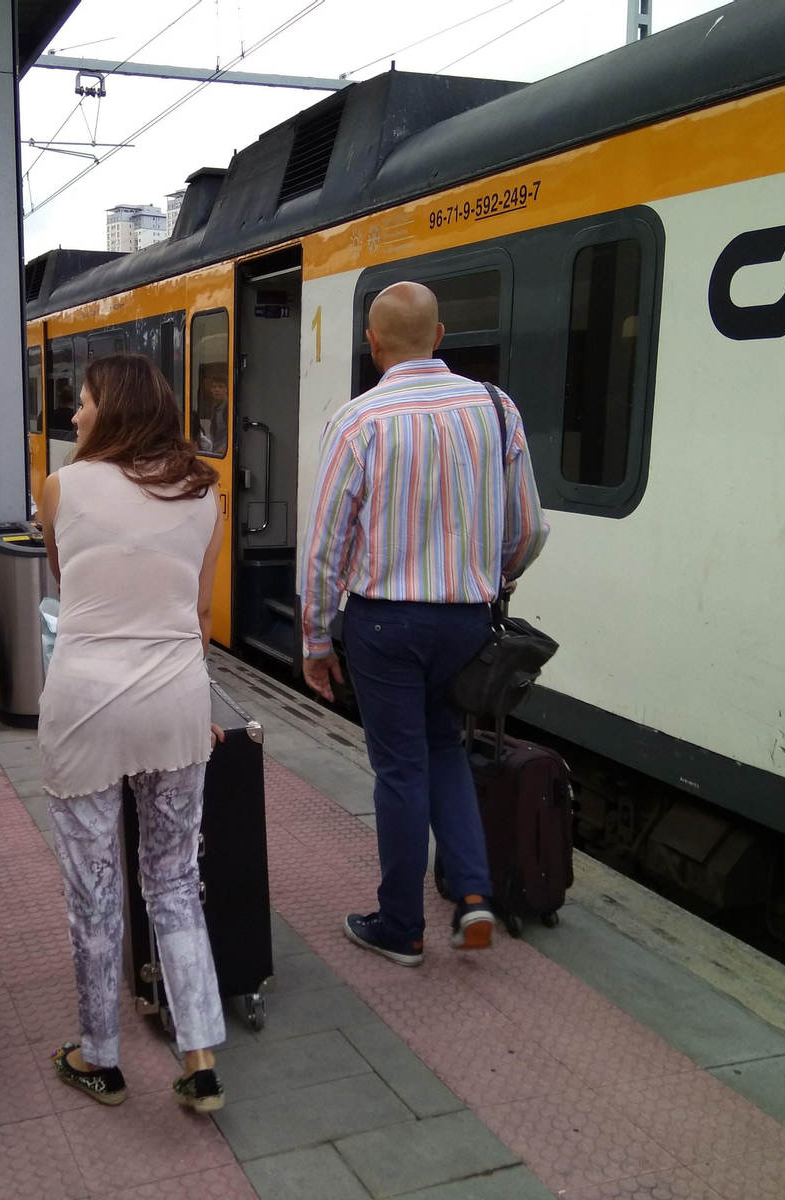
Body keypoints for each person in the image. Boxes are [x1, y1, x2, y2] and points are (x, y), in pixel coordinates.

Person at [297, 281, 549, 968]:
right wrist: (492, 573)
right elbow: (527, 528)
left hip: (385, 626)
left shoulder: (358, 421)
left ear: (372, 345)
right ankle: (472, 895)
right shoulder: (496, 409)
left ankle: (402, 925)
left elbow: (325, 548)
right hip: (466, 623)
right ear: (439, 338)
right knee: (443, 748)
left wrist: (317, 639)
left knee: (401, 769)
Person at [37, 353, 228, 1113]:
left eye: (81, 403)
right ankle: (201, 1055)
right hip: (175, 701)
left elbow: (65, 583)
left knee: (95, 891)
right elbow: (200, 622)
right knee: (175, 879)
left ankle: (100, 1056)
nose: (75, 416)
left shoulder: (62, 487)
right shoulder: (205, 491)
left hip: (85, 704)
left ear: (110, 409)